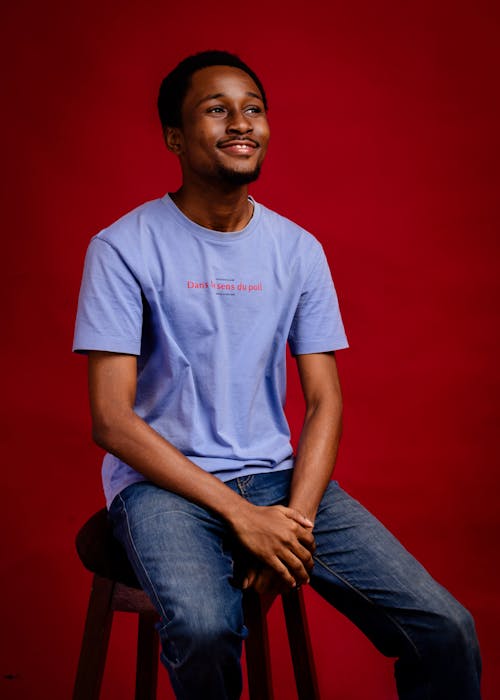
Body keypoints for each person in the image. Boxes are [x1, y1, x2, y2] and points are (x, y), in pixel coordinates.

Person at [73, 50, 482, 699]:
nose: (241, 122)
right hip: (162, 486)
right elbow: (111, 419)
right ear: (174, 137)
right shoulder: (123, 247)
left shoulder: (297, 250)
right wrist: (244, 517)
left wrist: (295, 518)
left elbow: (325, 402)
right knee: (207, 629)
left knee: (445, 629)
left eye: (253, 108)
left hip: (277, 477)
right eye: (217, 109)